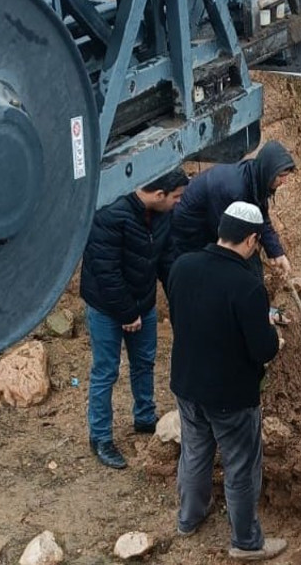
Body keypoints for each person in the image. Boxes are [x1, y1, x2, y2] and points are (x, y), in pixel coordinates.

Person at [166, 201, 286, 561]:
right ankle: (247, 543)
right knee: (241, 468)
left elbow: (184, 318)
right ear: (251, 239)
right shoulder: (247, 286)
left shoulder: (182, 267)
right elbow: (262, 349)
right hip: (231, 396)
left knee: (195, 453)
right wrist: (275, 337)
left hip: (187, 384)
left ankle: (189, 518)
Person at [79, 168, 189, 470]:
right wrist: (127, 313)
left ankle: (144, 417)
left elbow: (167, 259)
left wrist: (182, 300)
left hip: (143, 301)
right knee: (106, 370)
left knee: (145, 361)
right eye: (177, 197)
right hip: (106, 306)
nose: (179, 203)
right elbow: (106, 272)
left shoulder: (163, 214)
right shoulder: (110, 213)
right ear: (158, 195)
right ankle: (100, 437)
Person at [172, 141, 296, 279]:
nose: (284, 181)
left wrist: (276, 252)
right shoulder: (234, 190)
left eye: (286, 175)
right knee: (221, 273)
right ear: (268, 171)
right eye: (281, 175)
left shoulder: (256, 179)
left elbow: (260, 217)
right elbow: (228, 239)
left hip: (213, 217)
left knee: (248, 267)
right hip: (191, 229)